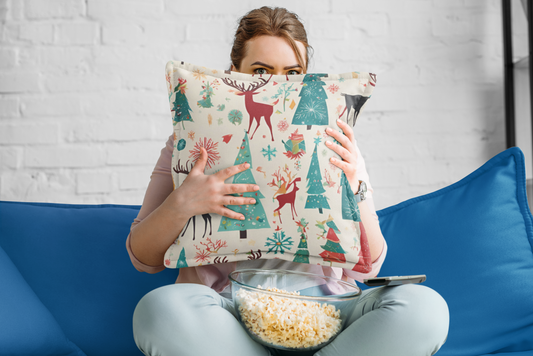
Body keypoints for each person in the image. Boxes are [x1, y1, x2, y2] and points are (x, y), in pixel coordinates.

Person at [127, 6, 449, 356]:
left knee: (424, 308)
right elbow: (143, 258)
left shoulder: (333, 140)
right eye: (261, 71)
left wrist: (356, 182)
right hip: (227, 320)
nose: (275, 85)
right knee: (159, 309)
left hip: (326, 314)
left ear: (307, 77)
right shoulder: (190, 142)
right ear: (234, 73)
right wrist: (182, 204)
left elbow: (370, 266)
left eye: (292, 72)